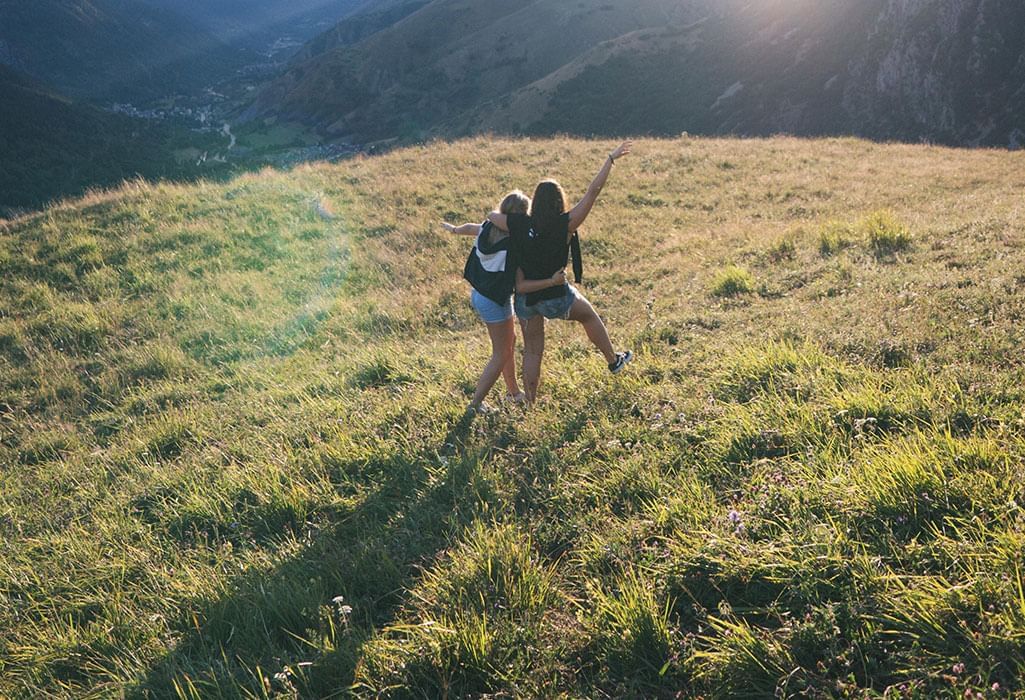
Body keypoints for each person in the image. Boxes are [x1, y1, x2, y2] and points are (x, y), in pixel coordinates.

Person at [487, 142, 634, 403]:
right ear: (559, 201)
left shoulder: (519, 223)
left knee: (532, 351)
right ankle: (613, 361)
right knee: (589, 316)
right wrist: (609, 160)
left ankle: (530, 401)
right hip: (557, 296)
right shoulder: (566, 223)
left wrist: (512, 221)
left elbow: (492, 217)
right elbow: (592, 192)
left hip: (526, 300)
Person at [442, 191, 567, 414]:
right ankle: (476, 403)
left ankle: (513, 393)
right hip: (494, 300)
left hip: (480, 294)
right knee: (501, 352)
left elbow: (471, 227)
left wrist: (454, 230)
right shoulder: (515, 241)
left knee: (508, 343)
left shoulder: (488, 228)